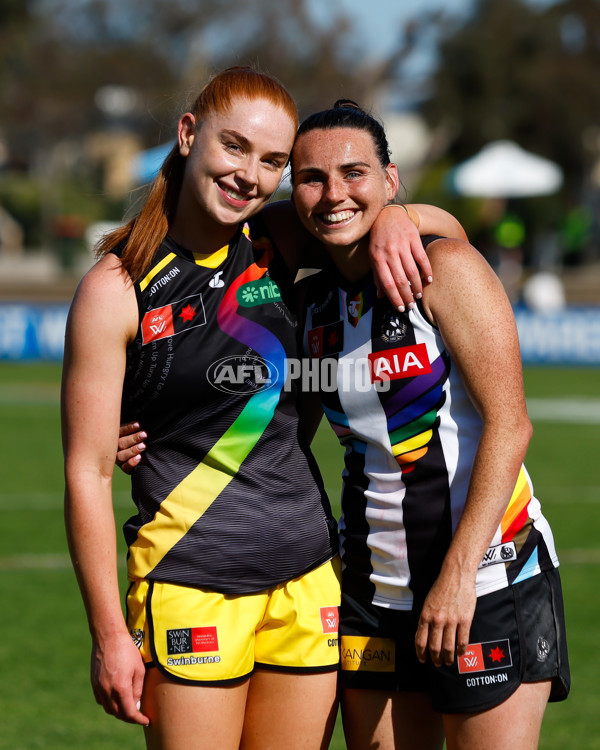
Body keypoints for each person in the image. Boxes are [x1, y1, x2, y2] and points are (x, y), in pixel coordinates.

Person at [62, 67, 468, 750]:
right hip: (189, 582)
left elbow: (430, 228)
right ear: (189, 135)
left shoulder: (276, 240)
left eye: (273, 161)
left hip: (309, 581)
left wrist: (404, 215)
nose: (250, 174)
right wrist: (109, 635)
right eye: (235, 147)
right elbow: (88, 473)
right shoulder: (118, 286)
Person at [285, 101, 569, 750]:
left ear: (391, 179)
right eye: (311, 177)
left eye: (355, 173)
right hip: (370, 593)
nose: (333, 194)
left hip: (485, 580)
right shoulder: (307, 306)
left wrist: (457, 576)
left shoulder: (446, 272)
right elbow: (275, 432)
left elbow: (510, 426)